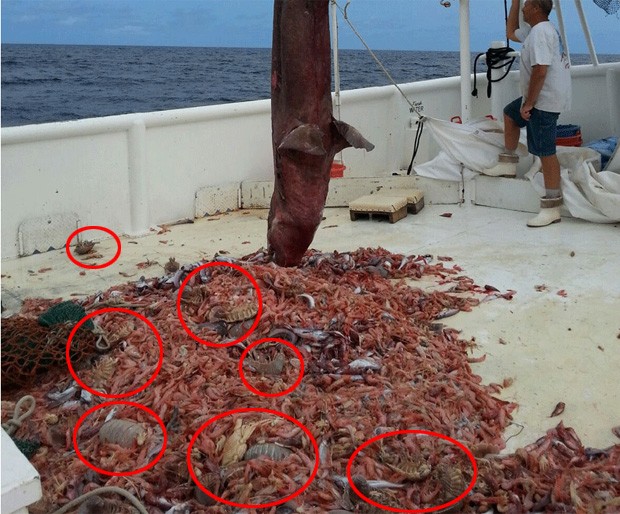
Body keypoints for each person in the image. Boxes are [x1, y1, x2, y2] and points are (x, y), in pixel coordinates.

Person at [482, 0, 571, 227]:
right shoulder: (536, 31)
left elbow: (540, 71)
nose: (522, 9)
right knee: (511, 115)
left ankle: (552, 207)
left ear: (535, 9)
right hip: (538, 98)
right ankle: (508, 163)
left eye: (525, 5)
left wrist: (529, 103)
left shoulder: (541, 33)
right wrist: (513, 2)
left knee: (546, 152)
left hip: (544, 101)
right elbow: (511, 32)